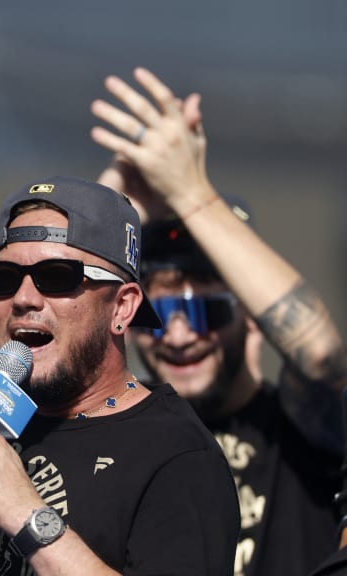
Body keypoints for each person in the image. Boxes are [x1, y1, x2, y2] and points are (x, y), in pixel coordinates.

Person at [89, 67, 347, 576]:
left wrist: (191, 192)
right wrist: (109, 211)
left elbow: (320, 355)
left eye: (205, 310)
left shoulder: (300, 430)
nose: (179, 334)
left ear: (253, 316)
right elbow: (2, 374)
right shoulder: (111, 430)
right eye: (155, 315)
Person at [0, 176, 240, 575]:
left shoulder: (177, 454)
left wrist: (22, 512)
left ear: (122, 307)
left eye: (56, 277)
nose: (23, 299)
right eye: (3, 279)